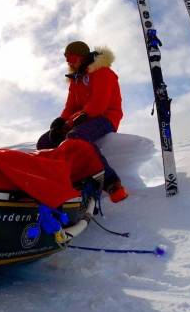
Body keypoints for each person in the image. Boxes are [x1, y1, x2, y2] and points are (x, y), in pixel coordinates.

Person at [37, 41, 128, 203]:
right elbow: (70, 107)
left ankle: (112, 183)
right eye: (67, 59)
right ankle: (58, 181)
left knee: (77, 136)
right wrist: (59, 122)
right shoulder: (76, 79)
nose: (69, 62)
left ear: (83, 57)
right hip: (82, 120)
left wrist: (70, 123)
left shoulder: (102, 72)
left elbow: (97, 106)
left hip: (105, 118)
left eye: (72, 58)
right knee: (45, 141)